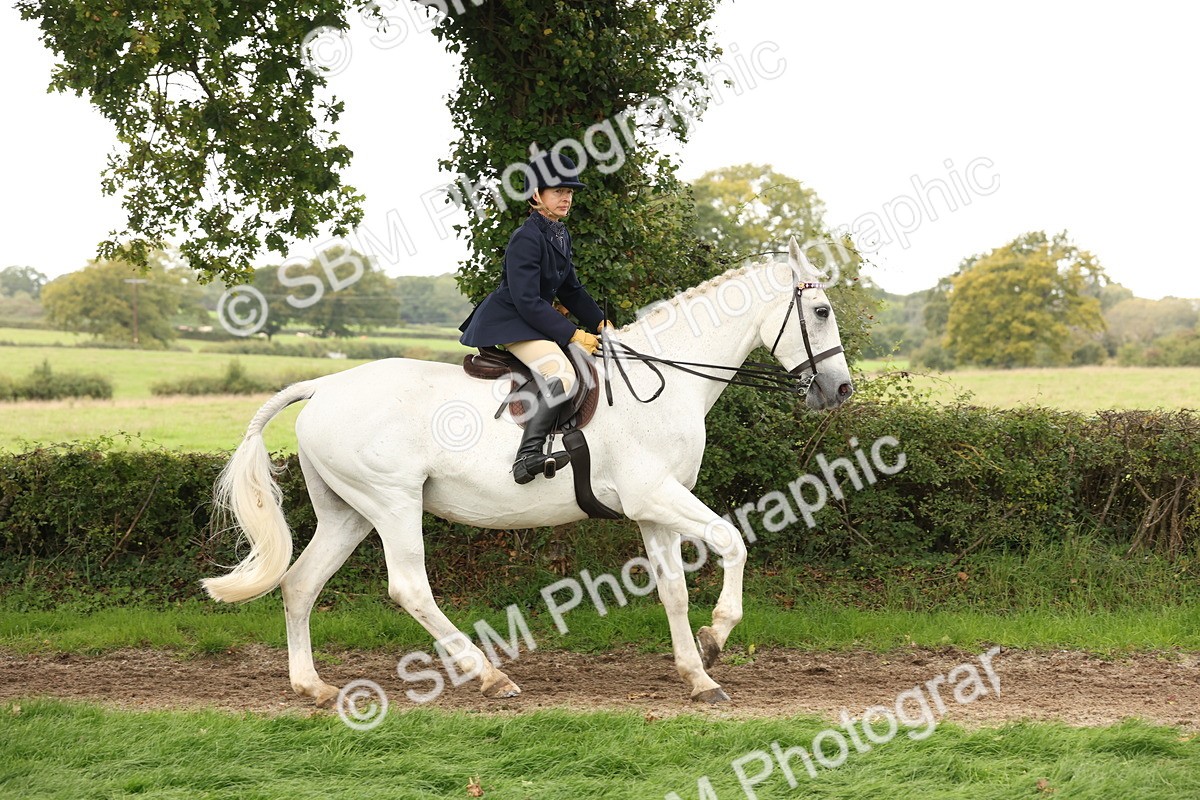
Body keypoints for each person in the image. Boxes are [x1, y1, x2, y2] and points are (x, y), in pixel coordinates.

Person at [459, 152, 612, 484]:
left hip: (533, 320)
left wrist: (600, 323)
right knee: (562, 373)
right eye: (558, 191)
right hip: (513, 321)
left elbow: (570, 289)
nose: (566, 198)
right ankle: (527, 456)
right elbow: (527, 301)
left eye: (569, 192)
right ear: (535, 195)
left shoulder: (558, 233)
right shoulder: (526, 237)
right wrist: (574, 335)